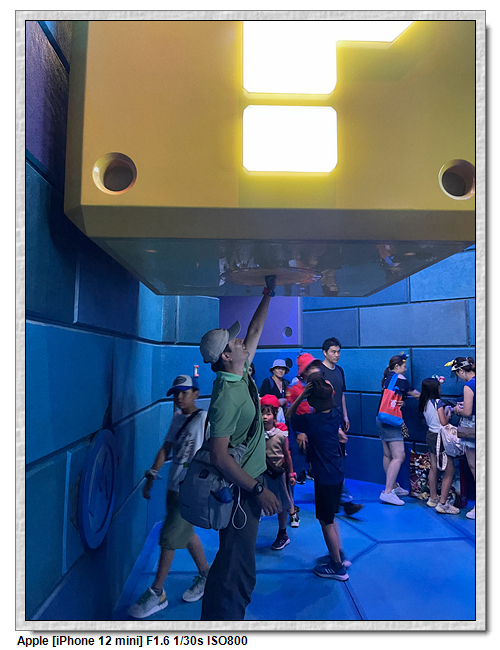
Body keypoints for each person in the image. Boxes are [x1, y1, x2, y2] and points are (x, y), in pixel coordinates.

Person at [198, 275, 281, 621]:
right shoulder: (226, 396)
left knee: (231, 562)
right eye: (235, 340)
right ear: (226, 355)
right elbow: (219, 456)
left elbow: (255, 330)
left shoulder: (239, 372)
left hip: (246, 485)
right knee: (238, 570)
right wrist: (258, 490)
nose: (241, 340)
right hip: (240, 492)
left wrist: (268, 293)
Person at [128, 375, 210, 618]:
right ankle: (206, 574)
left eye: (185, 392)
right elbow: (166, 448)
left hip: (191, 489)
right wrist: (152, 474)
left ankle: (157, 592)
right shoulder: (177, 418)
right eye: (176, 393)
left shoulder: (205, 419)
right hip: (173, 486)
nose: (179, 397)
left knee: (168, 539)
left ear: (196, 393)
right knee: (186, 533)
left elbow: (216, 451)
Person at [287, 376, 349, 580]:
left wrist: (301, 397)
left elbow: (289, 415)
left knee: (325, 521)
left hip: (324, 477)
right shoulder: (336, 413)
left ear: (312, 400)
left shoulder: (311, 421)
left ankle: (337, 567)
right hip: (338, 472)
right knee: (331, 517)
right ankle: (337, 553)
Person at [320, 337, 364, 517]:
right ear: (325, 352)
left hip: (337, 420)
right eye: (333, 352)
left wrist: (344, 415)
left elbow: (342, 394)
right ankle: (344, 500)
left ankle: (338, 499)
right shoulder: (319, 372)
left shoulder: (339, 370)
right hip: (325, 421)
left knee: (338, 460)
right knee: (332, 462)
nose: (336, 355)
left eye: (338, 352)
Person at [377, 354, 420, 506]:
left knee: (388, 455)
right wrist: (431, 397)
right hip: (392, 421)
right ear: (397, 367)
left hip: (381, 418)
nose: (405, 369)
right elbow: (416, 394)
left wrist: (402, 402)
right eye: (403, 366)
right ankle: (388, 492)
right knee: (399, 456)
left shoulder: (387, 378)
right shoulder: (400, 379)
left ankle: (393, 486)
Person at [260, 398, 299, 548]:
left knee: (282, 504)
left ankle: (283, 533)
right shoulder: (257, 435)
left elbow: (287, 456)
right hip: (261, 474)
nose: (265, 417)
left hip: (278, 474)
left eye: (268, 414)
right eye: (262, 413)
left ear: (274, 415)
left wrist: (291, 474)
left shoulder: (281, 435)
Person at [418, 377, 460, 514]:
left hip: (430, 435)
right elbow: (443, 422)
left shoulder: (424, 402)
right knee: (450, 469)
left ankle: (433, 497)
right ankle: (443, 503)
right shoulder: (438, 403)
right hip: (441, 438)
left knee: (433, 466)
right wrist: (448, 413)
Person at [286, 353, 322, 483]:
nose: (317, 370)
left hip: (316, 427)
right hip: (299, 429)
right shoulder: (294, 387)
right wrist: (300, 432)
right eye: (312, 367)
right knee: (297, 460)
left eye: (316, 367)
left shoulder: (320, 384)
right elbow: (290, 413)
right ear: (305, 371)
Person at [447, 357, 476, 520]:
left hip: (471, 428)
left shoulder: (469, 385)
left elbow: (467, 412)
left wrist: (457, 409)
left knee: (474, 466)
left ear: (461, 371)